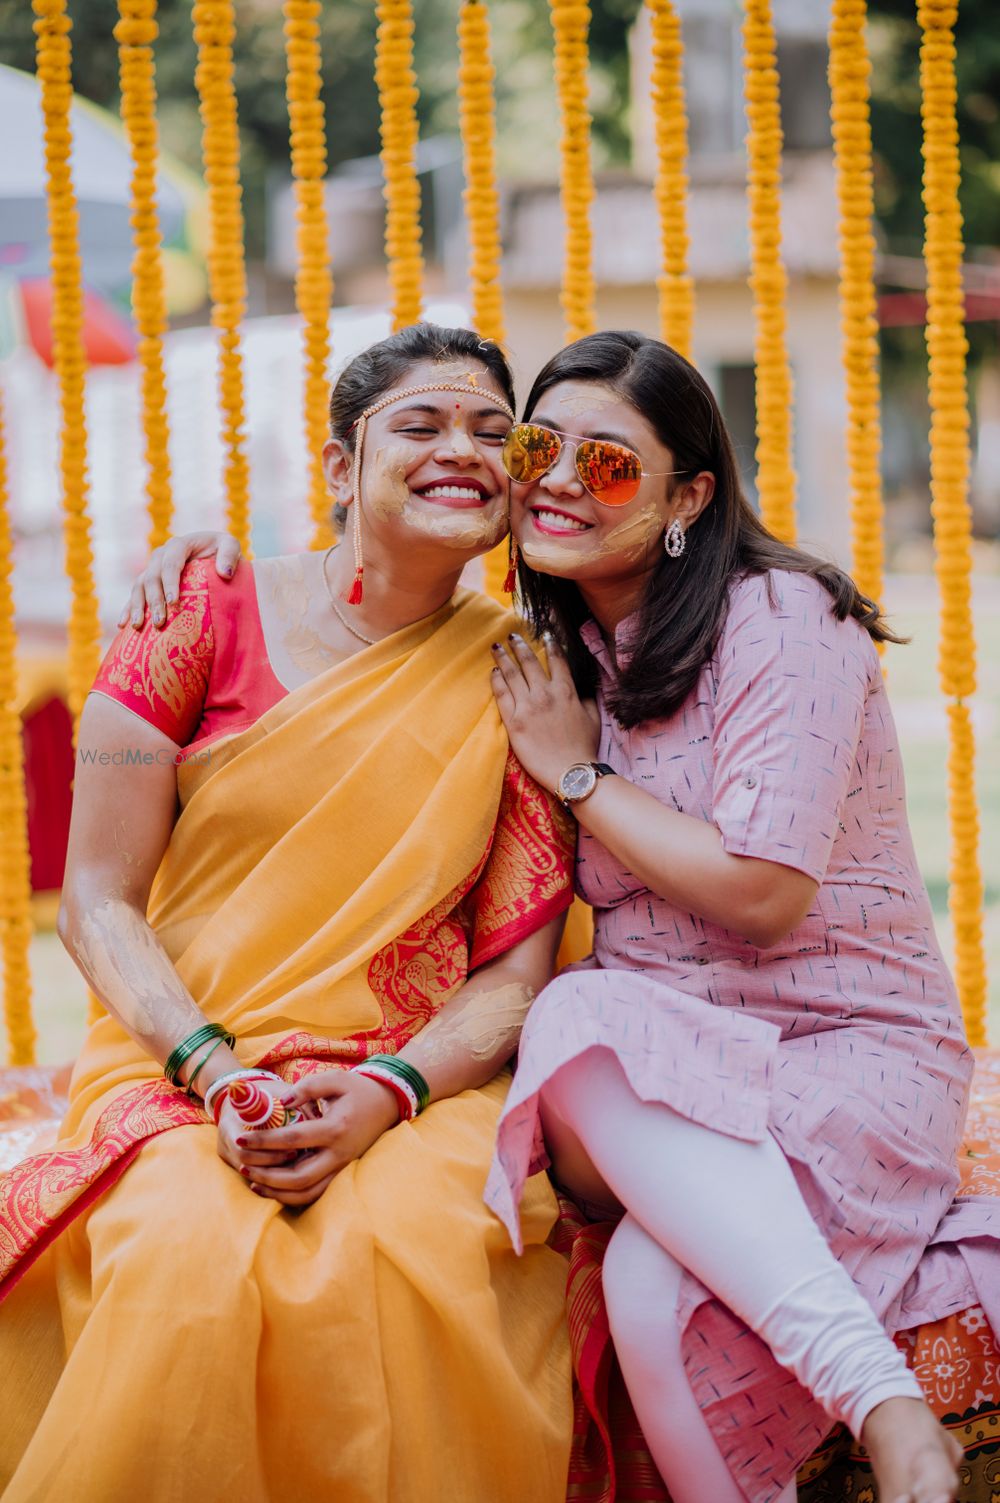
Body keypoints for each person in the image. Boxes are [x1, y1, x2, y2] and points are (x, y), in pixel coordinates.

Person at [0, 325, 578, 1503]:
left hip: (413, 1080)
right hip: (179, 1059)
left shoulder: (523, 674)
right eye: (419, 425)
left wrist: (384, 1096)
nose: (459, 450)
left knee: (424, 1254)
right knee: (177, 1257)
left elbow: (512, 977)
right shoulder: (189, 614)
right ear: (333, 469)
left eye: (488, 432)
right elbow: (98, 904)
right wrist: (216, 1074)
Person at [482, 330, 992, 1503]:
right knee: (586, 1025)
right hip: (666, 1087)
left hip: (844, 1057)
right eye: (536, 446)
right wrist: (201, 559)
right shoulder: (556, 650)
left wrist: (578, 779)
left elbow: (762, 895)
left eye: (607, 463)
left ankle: (885, 1410)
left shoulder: (778, 615)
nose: (558, 479)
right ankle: (886, 1404)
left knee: (650, 1294)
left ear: (687, 496)